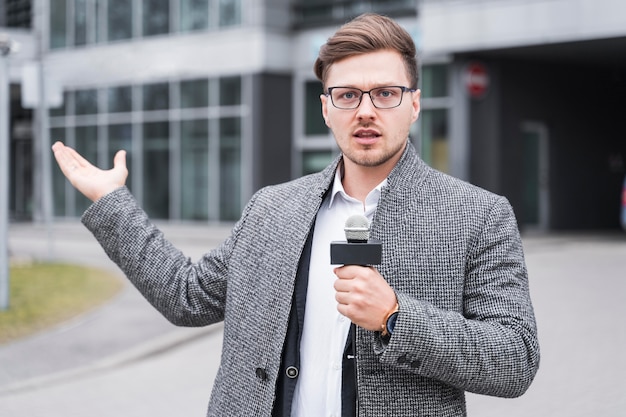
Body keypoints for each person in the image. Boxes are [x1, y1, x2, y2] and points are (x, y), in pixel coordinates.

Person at [51, 13, 539, 417]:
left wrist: (396, 316)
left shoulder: (478, 216)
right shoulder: (272, 208)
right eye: (348, 95)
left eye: (385, 93)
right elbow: (188, 296)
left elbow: (514, 359)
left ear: (413, 104)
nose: (365, 111)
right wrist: (112, 203)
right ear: (325, 109)